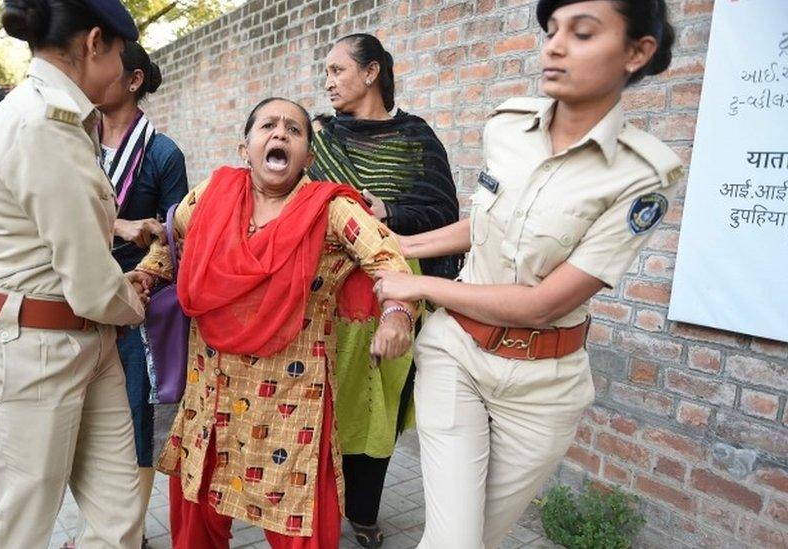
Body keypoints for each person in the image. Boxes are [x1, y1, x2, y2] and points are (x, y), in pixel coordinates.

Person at [373, 1, 683, 547]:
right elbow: (489, 225)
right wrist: (403, 244)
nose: (555, 46)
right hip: (457, 354)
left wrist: (418, 283)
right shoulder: (507, 128)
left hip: (544, 385)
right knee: (455, 542)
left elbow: (543, 303)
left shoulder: (645, 176)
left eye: (582, 33)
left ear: (638, 52)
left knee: (481, 540)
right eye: (551, 30)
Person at [131, 97, 418, 548]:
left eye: (294, 129)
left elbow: (387, 257)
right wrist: (146, 275)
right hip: (212, 395)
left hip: (291, 406)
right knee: (197, 514)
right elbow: (172, 241)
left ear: (308, 156)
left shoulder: (330, 209)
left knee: (299, 523)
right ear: (245, 148)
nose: (280, 133)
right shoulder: (212, 194)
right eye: (268, 125)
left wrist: (398, 314)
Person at [0, 0, 150, 547]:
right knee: (22, 530)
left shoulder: (62, 117)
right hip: (32, 352)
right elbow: (90, 281)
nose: (120, 70)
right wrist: (131, 301)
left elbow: (68, 233)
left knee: (119, 521)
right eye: (117, 53)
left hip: (87, 341)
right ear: (94, 44)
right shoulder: (42, 123)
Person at [309, 33, 459, 547]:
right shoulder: (320, 139)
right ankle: (317, 503)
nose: (327, 82)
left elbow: (445, 213)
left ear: (372, 73)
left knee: (379, 402)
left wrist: (387, 212)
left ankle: (365, 509)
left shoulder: (417, 139)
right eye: (325, 73)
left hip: (395, 292)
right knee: (323, 397)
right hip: (325, 294)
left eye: (337, 70)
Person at [99, 39, 188, 530]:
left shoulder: (163, 152)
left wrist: (145, 267)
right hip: (73, 292)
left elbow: (178, 238)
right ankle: (103, 525)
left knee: (137, 414)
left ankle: (127, 531)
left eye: (104, 66)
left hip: (137, 299)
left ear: (134, 80)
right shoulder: (73, 140)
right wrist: (119, 224)